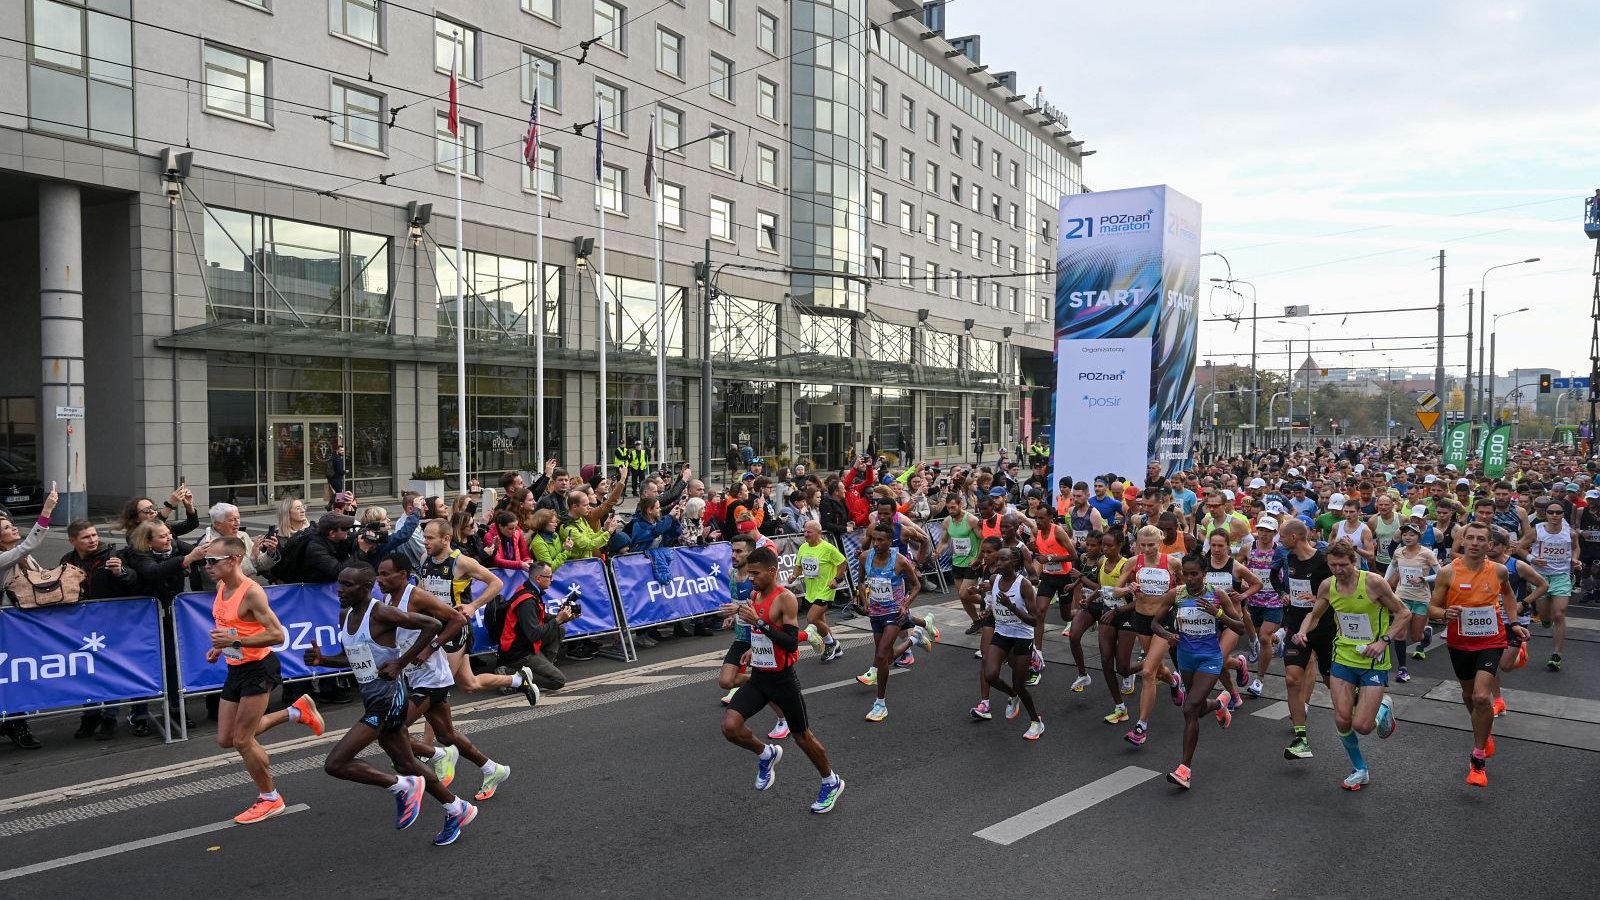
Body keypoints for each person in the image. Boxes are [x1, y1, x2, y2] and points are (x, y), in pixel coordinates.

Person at [304, 562, 478, 845]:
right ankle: (457, 808)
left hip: (387, 699)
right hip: (372, 697)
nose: (340, 590)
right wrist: (324, 660)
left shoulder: (382, 612)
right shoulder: (345, 615)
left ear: (364, 588)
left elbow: (432, 625)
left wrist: (400, 662)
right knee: (405, 760)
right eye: (340, 583)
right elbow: (358, 658)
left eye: (348, 585)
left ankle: (402, 787)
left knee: (336, 763)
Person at [205, 536, 325, 823]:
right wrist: (219, 647)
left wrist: (235, 641)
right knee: (225, 738)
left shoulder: (252, 592)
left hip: (260, 668)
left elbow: (278, 635)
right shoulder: (222, 587)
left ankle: (270, 798)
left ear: (233, 560)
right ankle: (296, 711)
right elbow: (233, 630)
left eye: (212, 561)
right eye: (205, 560)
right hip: (236, 668)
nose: (206, 566)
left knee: (243, 740)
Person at [719, 547, 845, 814]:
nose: (751, 578)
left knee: (803, 738)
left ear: (772, 571)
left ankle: (830, 781)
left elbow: (789, 643)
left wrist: (760, 624)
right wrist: (755, 647)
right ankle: (767, 754)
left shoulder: (786, 598)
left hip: (783, 681)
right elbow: (762, 632)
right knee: (730, 726)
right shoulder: (754, 595)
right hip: (760, 678)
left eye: (755, 573)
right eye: (749, 572)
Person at [1292, 540, 1409, 791]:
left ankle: (1383, 709)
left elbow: (1404, 613)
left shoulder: (1373, 582)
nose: (1338, 570)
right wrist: (1302, 630)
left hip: (1373, 660)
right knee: (1343, 720)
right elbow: (1315, 614)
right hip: (1343, 657)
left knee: (1363, 726)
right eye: (1333, 565)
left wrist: (1383, 641)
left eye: (1343, 565)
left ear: (1354, 562)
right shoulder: (1327, 585)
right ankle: (1360, 769)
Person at [1430, 522, 1527, 787]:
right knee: (1469, 695)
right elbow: (1432, 608)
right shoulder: (1448, 572)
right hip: (1459, 642)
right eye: (1469, 538)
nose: (1474, 543)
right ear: (1462, 542)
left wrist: (1515, 622)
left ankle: (1478, 757)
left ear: (1489, 544)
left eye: (1480, 539)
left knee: (1482, 696)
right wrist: (1444, 613)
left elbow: (1508, 595)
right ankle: (1483, 732)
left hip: (1491, 639)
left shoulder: (1498, 571)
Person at [1151, 555, 1249, 789]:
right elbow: (1154, 624)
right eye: (1186, 573)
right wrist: (1168, 636)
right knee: (1198, 706)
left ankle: (1184, 769)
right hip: (1186, 657)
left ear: (1204, 574)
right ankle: (1219, 704)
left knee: (1189, 707)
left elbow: (1241, 627)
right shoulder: (1176, 595)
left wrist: (1218, 614)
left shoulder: (1217, 594)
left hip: (1210, 658)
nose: (1190, 578)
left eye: (1195, 573)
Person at [417, 520, 532, 699]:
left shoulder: (461, 562)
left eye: (430, 538)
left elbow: (497, 583)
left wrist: (473, 606)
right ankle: (517, 679)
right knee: (470, 684)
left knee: (437, 689)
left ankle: (441, 728)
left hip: (457, 628)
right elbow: (423, 588)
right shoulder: (424, 558)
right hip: (435, 627)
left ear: (446, 539)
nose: (425, 541)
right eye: (424, 537)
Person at [62, 519, 139, 740]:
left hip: (110, 625)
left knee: (109, 672)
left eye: (94, 535)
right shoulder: (67, 560)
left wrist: (121, 572)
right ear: (73, 541)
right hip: (81, 627)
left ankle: (110, 718)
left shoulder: (113, 555)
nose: (93, 540)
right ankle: (90, 715)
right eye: (86, 537)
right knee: (86, 672)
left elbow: (132, 579)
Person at [1109, 525, 1184, 746]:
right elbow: (1116, 590)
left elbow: (1189, 585)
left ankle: (1141, 726)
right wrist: (1128, 588)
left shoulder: (1172, 563)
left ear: (1160, 542)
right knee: (1158, 666)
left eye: (1151, 545)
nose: (1147, 549)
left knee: (1148, 670)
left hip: (1163, 621)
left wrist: (1178, 593)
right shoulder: (1133, 562)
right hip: (1141, 619)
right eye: (1142, 545)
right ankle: (1173, 682)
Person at [0, 483, 58, 750]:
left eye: (11, 523)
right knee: (11, 676)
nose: (12, 527)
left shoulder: (26, 557)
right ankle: (16, 724)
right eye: (5, 528)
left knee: (19, 676)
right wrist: (46, 510)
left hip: (25, 624)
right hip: (8, 626)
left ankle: (14, 722)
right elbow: (26, 546)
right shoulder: (5, 557)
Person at [853, 522, 931, 722]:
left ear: (890, 541)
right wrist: (865, 602)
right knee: (886, 659)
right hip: (875, 614)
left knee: (880, 657)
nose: (876, 544)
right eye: (874, 539)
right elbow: (860, 582)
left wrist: (905, 606)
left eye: (881, 540)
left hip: (894, 614)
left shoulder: (900, 561)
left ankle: (880, 704)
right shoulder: (864, 557)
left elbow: (916, 586)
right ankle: (914, 640)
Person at [980, 547, 1046, 740]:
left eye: (1003, 560)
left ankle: (1036, 722)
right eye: (997, 559)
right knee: (990, 674)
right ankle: (1012, 695)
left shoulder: (1023, 585)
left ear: (1014, 563)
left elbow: (1035, 620)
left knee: (1020, 684)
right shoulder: (994, 579)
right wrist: (988, 610)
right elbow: (993, 601)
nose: (998, 563)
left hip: (1022, 636)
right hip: (1002, 632)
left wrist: (1012, 607)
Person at [1520, 499, 1573, 670]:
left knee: (1560, 614)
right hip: (1540, 577)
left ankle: (1557, 654)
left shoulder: (1570, 533)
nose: (1555, 515)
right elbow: (1521, 548)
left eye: (1559, 512)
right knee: (1545, 617)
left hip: (1561, 576)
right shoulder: (1537, 530)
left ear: (1564, 514)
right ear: (1546, 514)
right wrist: (1532, 559)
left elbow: (1576, 548)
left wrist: (1575, 559)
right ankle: (1545, 620)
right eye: (1551, 512)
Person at [1386, 521, 1440, 682]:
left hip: (1421, 598)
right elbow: (1392, 566)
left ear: (1419, 536)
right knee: (1400, 634)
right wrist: (1383, 581)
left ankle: (1425, 635)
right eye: (1405, 534)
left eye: (1412, 534)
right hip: (1402, 596)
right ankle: (1402, 669)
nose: (1407, 537)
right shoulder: (1399, 552)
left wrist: (1424, 578)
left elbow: (1441, 574)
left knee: (1416, 637)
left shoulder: (1426, 553)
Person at [792, 520, 846, 662]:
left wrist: (836, 579)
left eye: (809, 532)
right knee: (820, 621)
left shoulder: (828, 548)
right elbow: (799, 565)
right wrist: (793, 576)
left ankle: (830, 644)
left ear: (819, 533)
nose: (806, 534)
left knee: (812, 618)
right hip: (811, 591)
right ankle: (837, 647)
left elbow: (842, 562)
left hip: (826, 590)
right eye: (804, 531)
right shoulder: (803, 547)